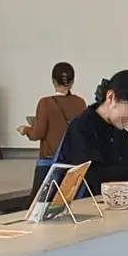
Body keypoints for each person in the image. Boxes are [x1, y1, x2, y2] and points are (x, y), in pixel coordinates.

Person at [56, 70, 128, 193]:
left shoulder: (121, 134)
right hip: (84, 208)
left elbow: (123, 173)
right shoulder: (81, 126)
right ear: (111, 97)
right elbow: (92, 177)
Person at [20, 62, 88, 197]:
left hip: (50, 161)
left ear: (53, 80)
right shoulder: (80, 103)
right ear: (72, 81)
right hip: (74, 161)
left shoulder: (45, 103)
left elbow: (38, 133)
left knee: (39, 202)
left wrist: (26, 130)